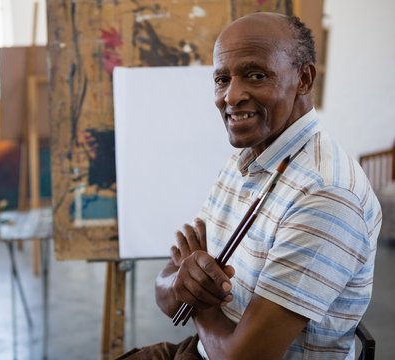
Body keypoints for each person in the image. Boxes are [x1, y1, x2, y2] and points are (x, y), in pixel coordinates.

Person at [117, 12, 382, 360]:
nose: (231, 96)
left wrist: (198, 302)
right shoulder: (246, 160)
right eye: (222, 79)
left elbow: (241, 358)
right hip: (201, 349)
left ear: (303, 79)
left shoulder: (325, 195)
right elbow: (167, 285)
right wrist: (184, 283)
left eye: (256, 75)